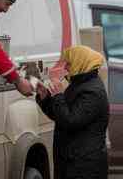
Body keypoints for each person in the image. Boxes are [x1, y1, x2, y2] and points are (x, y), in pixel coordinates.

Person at [36, 45, 109, 179]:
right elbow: (60, 116)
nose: (66, 68)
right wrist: (45, 97)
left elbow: (71, 120)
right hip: (73, 162)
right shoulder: (79, 85)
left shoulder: (92, 91)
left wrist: (58, 95)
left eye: (69, 63)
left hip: (85, 166)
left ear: (80, 63)